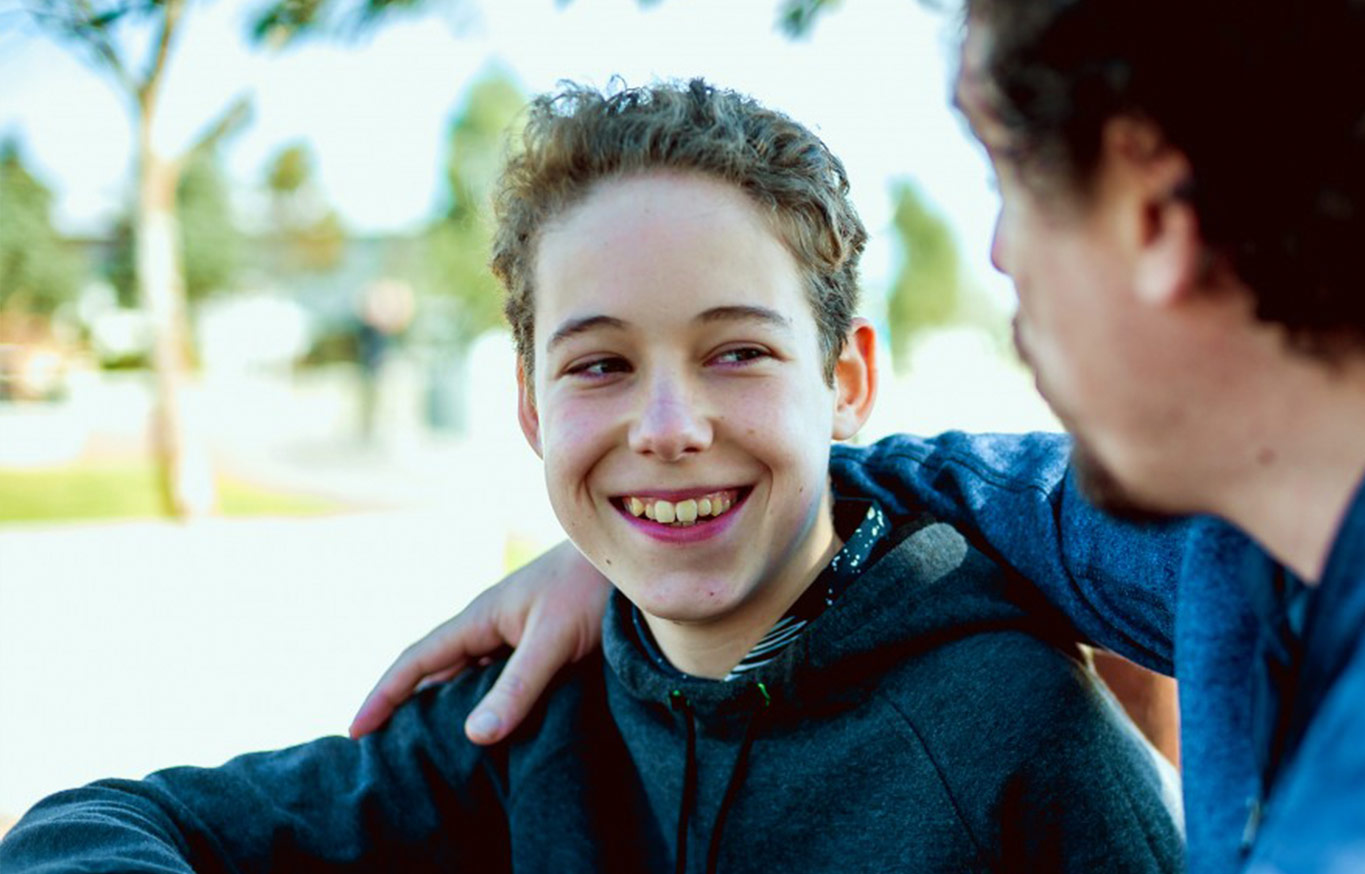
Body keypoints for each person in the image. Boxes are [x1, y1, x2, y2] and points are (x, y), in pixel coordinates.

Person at [352, 0, 1365, 872]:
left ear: (1154, 208)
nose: (999, 253)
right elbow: (979, 486)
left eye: (1007, 181)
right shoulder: (1270, 518)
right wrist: (648, 520)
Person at [0, 80, 1185, 873]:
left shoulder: (1014, 736)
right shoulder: (530, 716)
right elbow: (94, 826)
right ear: (529, 407)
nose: (667, 426)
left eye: (737, 352)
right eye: (602, 365)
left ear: (848, 379)